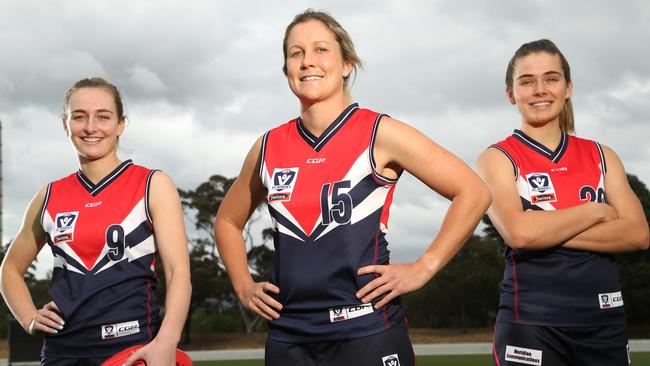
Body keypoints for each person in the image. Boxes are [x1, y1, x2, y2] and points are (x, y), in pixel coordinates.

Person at [214, 9, 491, 366]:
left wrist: (424, 266)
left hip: (367, 330)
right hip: (290, 338)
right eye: (295, 53)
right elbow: (227, 221)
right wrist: (243, 285)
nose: (307, 62)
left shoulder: (381, 133)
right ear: (286, 70)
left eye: (320, 50)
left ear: (346, 63)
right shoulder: (267, 146)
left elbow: (473, 191)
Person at [477, 39, 649, 366]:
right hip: (530, 322)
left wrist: (545, 227)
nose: (540, 89)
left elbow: (637, 234)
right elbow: (520, 235)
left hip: (603, 322)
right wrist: (595, 211)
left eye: (551, 79)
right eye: (527, 82)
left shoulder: (602, 155)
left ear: (568, 87)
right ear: (511, 94)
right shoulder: (497, 158)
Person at [0, 77, 191, 366]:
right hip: (62, 353)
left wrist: (167, 341)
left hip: (131, 349)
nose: (91, 127)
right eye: (79, 117)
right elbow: (10, 269)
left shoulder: (152, 184)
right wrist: (29, 318)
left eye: (103, 116)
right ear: (65, 124)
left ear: (120, 124)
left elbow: (178, 274)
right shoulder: (48, 196)